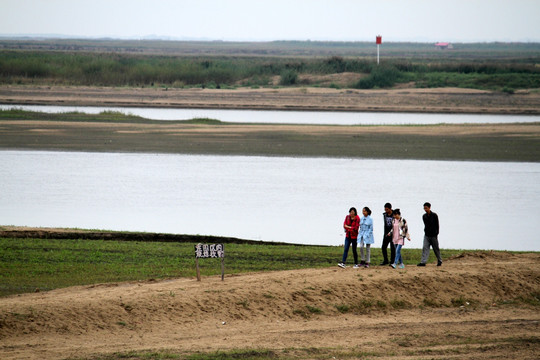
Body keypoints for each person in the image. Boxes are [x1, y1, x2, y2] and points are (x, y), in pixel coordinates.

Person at [418, 202, 442, 267]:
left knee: (436, 248)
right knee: (425, 248)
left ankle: (439, 260)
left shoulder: (434, 215)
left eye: (426, 208)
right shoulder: (424, 216)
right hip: (426, 235)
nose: (425, 209)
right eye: (424, 208)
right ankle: (423, 262)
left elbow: (437, 225)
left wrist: (436, 233)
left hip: (433, 235)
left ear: (429, 208)